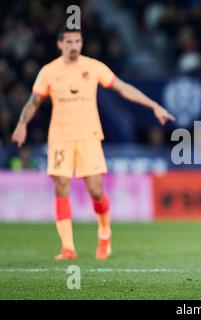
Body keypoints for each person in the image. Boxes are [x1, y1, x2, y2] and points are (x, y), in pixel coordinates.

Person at [11, 27, 175, 261]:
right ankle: (67, 248)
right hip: (60, 138)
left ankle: (105, 233)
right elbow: (34, 101)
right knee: (61, 186)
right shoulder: (49, 72)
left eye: (78, 41)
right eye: (69, 42)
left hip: (88, 136)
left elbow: (122, 88)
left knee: (96, 191)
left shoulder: (93, 67)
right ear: (60, 45)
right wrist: (21, 124)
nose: (74, 46)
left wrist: (153, 106)